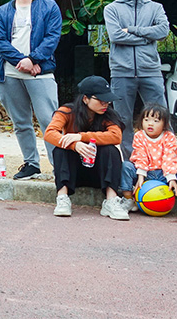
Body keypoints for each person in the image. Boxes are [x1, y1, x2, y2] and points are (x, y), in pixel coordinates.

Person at [0, 0, 62, 179]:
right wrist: (21, 61)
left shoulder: (50, 7)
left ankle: (59, 166)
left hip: (40, 73)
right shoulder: (3, 10)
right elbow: (0, 41)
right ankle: (31, 163)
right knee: (21, 123)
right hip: (10, 74)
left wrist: (33, 59)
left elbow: (52, 38)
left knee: (49, 121)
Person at [104, 0, 169, 156]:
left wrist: (133, 30)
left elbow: (163, 31)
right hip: (121, 72)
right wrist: (148, 37)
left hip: (151, 70)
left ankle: (164, 160)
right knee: (122, 120)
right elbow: (116, 36)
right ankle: (130, 163)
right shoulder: (111, 9)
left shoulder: (155, 7)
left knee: (160, 116)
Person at [43, 76, 129, 220]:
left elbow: (116, 136)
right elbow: (50, 134)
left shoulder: (108, 114)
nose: (105, 104)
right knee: (60, 149)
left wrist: (81, 136)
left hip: (98, 173)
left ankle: (111, 200)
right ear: (85, 99)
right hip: (73, 173)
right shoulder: (67, 111)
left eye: (107, 100)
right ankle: (62, 198)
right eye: (100, 100)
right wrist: (74, 145)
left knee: (111, 150)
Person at [119, 103, 177, 220]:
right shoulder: (139, 136)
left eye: (156, 121)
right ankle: (128, 200)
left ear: (165, 124)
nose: (150, 123)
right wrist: (141, 175)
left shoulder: (169, 137)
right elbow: (140, 154)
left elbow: (169, 157)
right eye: (146, 119)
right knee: (126, 166)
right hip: (145, 173)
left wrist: (171, 178)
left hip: (165, 174)